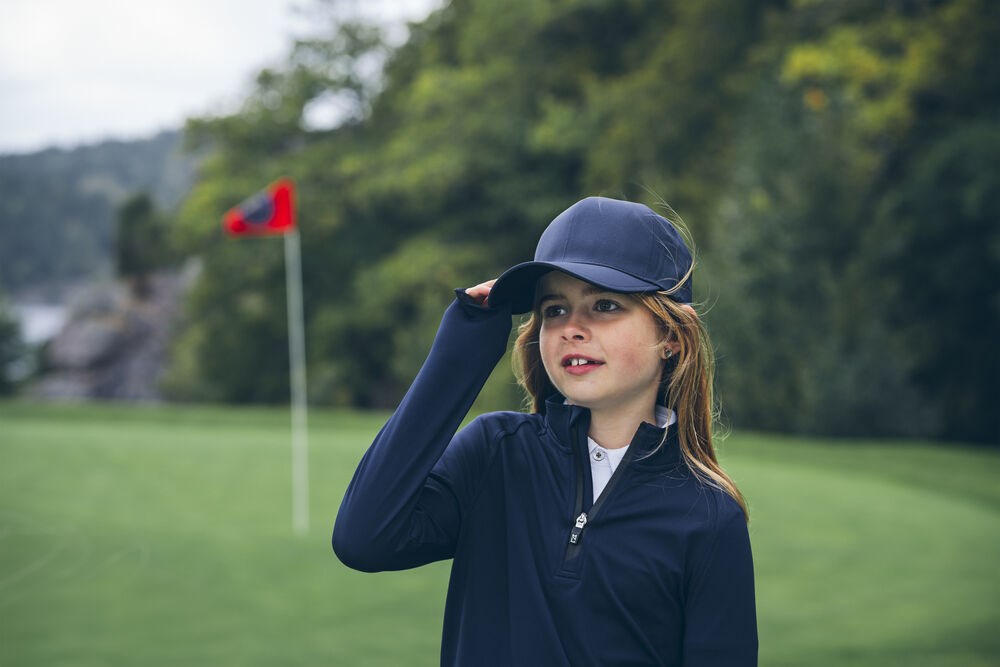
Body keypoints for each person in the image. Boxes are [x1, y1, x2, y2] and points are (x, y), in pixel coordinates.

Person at [333, 196, 758, 666]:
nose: (571, 327)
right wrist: (464, 348)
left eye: (604, 305)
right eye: (554, 309)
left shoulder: (708, 516)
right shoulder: (495, 452)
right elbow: (364, 539)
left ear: (672, 335)